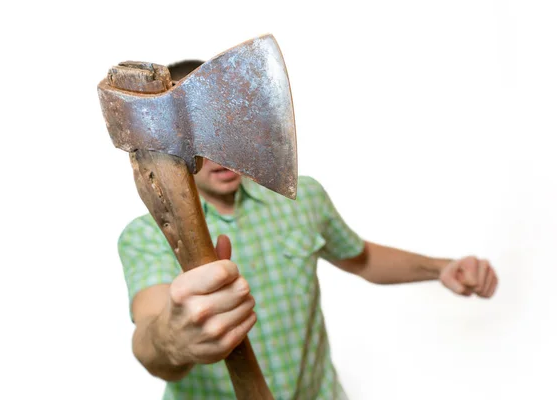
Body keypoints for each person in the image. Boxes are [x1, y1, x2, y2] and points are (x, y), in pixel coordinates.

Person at [117, 60, 499, 400]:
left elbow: (362, 259)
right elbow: (151, 338)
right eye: (200, 139)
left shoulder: (302, 196)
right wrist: (175, 339)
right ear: (173, 146)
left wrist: (441, 268)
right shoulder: (146, 233)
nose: (219, 151)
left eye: (227, 128)